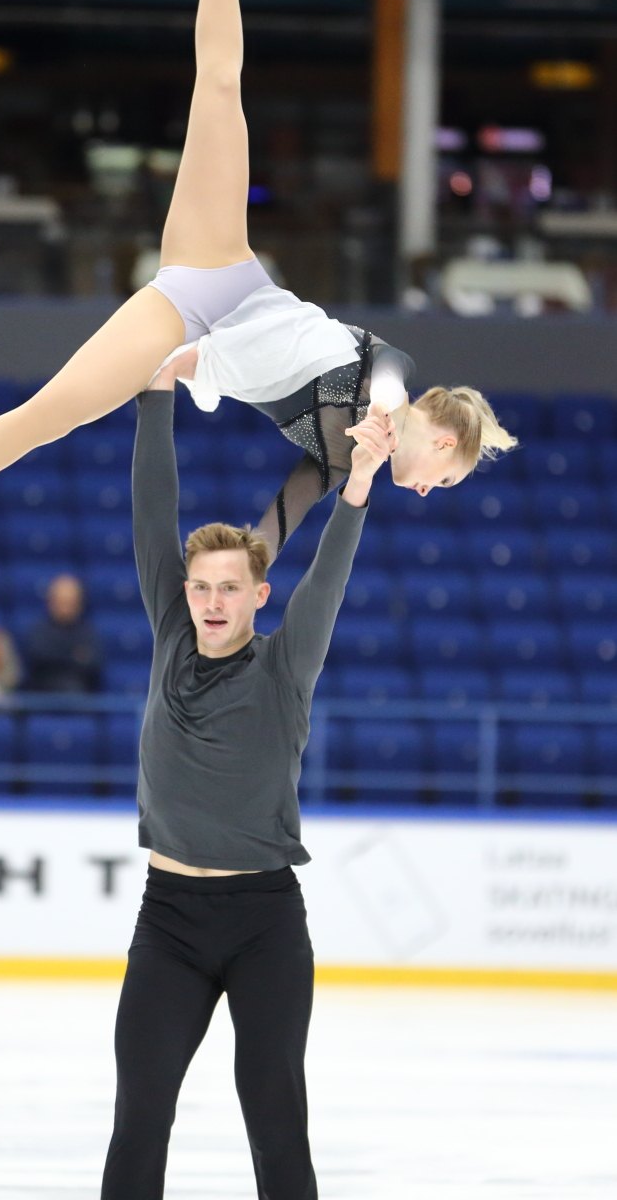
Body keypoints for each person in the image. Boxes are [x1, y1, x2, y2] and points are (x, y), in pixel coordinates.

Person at [0, 0, 516, 592]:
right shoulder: (393, 379)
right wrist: (379, 418)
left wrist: (243, 577)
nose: (427, 490)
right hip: (223, 271)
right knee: (219, 90)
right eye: (444, 478)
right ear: (445, 442)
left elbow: (280, 518)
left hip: (185, 330)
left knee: (58, 410)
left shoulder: (342, 461)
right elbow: (391, 378)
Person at [99, 321, 394, 1198]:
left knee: (272, 1112)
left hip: (264, 922)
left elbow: (330, 577)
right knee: (140, 1111)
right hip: (169, 921)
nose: (214, 600)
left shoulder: (285, 662)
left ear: (258, 595)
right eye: (201, 586)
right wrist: (154, 396)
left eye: (232, 587)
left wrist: (358, 489)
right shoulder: (168, 635)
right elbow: (154, 510)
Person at [24, 572, 103, 693]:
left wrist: (56, 655)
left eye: (70, 603)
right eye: (61, 602)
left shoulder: (89, 633)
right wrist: (74, 656)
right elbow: (38, 656)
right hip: (42, 697)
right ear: (50, 602)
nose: (65, 608)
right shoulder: (38, 631)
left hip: (81, 699)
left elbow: (94, 662)